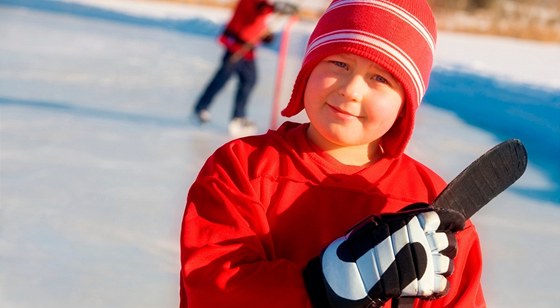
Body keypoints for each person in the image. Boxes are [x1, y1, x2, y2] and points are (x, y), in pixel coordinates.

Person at [180, 0, 486, 307]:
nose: (351, 89)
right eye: (339, 63)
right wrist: (323, 285)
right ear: (309, 69)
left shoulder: (432, 206)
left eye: (380, 78)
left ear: (405, 104)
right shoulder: (241, 168)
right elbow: (211, 288)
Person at [192, 0, 279, 137]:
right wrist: (274, 8)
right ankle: (202, 108)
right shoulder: (257, 3)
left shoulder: (265, 4)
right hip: (236, 46)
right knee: (223, 79)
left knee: (248, 80)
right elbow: (259, 9)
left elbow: (258, 22)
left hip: (247, 49)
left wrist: (266, 34)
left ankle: (237, 117)